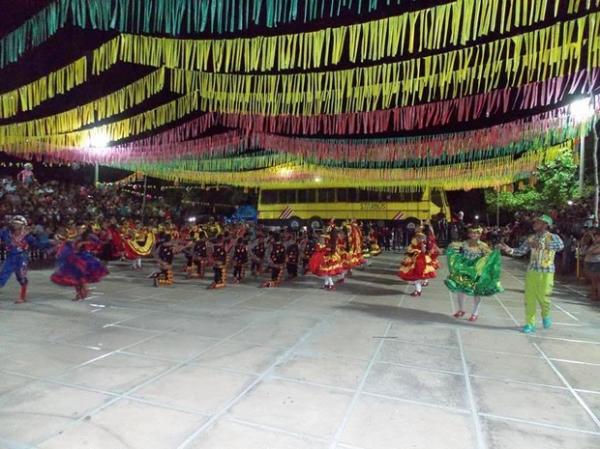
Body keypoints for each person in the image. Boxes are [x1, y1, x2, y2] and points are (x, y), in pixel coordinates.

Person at [500, 215, 564, 333]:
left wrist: (543, 245)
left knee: (544, 297)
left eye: (538, 222)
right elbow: (521, 251)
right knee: (530, 298)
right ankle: (530, 323)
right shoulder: (531, 238)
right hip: (532, 271)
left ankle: (545, 314)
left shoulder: (553, 237)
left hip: (547, 272)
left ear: (545, 225)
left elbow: (560, 246)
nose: (534, 224)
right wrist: (509, 250)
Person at [445, 226, 503, 322]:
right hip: (464, 270)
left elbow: (490, 257)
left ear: (480, 234)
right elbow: (454, 249)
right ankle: (461, 309)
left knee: (476, 292)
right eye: (472, 232)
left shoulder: (483, 246)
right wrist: (450, 247)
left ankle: (475, 312)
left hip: (476, 272)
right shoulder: (464, 243)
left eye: (476, 233)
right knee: (460, 290)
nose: (473, 235)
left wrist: (496, 251)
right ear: (469, 234)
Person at [51, 226, 109, 300]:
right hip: (73, 258)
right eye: (80, 228)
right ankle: (79, 293)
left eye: (83, 229)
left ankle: (83, 292)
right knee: (75, 278)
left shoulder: (88, 236)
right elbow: (65, 245)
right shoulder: (72, 236)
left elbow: (97, 242)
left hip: (83, 259)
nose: (81, 230)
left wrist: (86, 244)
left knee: (82, 277)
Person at [0, 216, 37, 303]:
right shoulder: (6, 232)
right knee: (3, 275)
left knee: (21, 277)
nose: (15, 226)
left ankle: (22, 297)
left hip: (21, 258)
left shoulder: (27, 236)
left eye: (18, 224)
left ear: (23, 225)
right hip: (10, 258)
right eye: (14, 223)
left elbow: (37, 244)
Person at [398, 226, 439, 296]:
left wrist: (418, 249)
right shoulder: (421, 239)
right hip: (416, 258)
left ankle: (418, 290)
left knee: (416, 276)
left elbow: (424, 250)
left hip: (419, 260)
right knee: (416, 276)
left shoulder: (422, 241)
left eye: (418, 237)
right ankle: (418, 290)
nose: (417, 238)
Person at [582, 228, 600, 301]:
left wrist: (590, 251)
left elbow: (594, 252)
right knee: (592, 280)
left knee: (596, 280)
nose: (595, 238)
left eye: (597, 237)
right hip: (589, 263)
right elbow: (584, 246)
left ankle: (597, 295)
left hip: (596, 263)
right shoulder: (592, 244)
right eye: (595, 237)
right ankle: (593, 294)